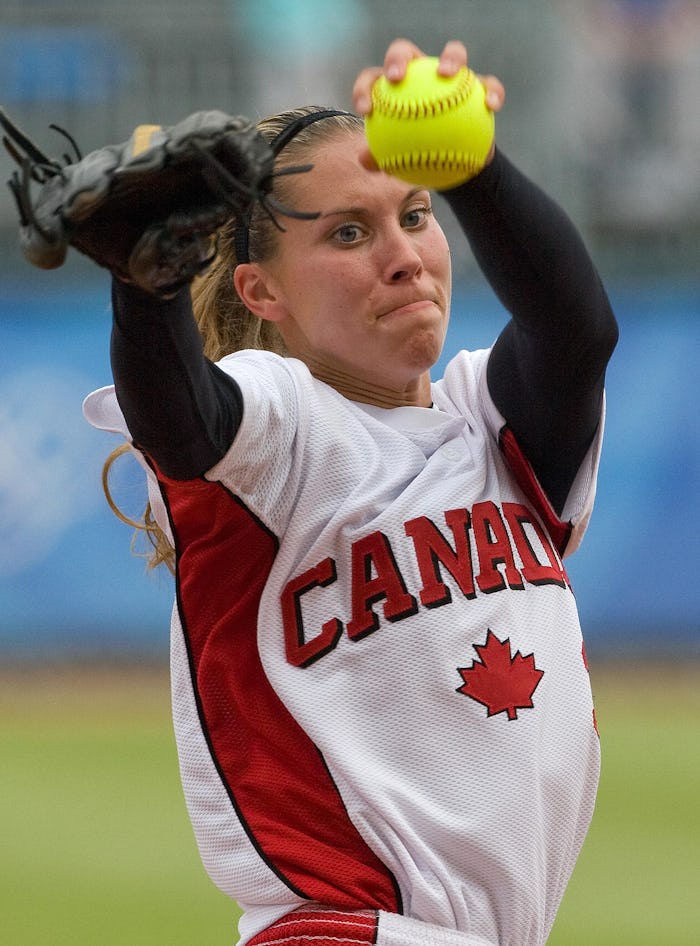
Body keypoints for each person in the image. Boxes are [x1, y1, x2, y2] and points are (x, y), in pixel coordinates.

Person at [83, 37, 618, 946]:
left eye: (414, 214)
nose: (404, 255)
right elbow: (185, 422)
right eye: (347, 233)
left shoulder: (492, 429)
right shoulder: (281, 430)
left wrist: (475, 168)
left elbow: (576, 330)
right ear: (263, 292)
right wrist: (147, 292)